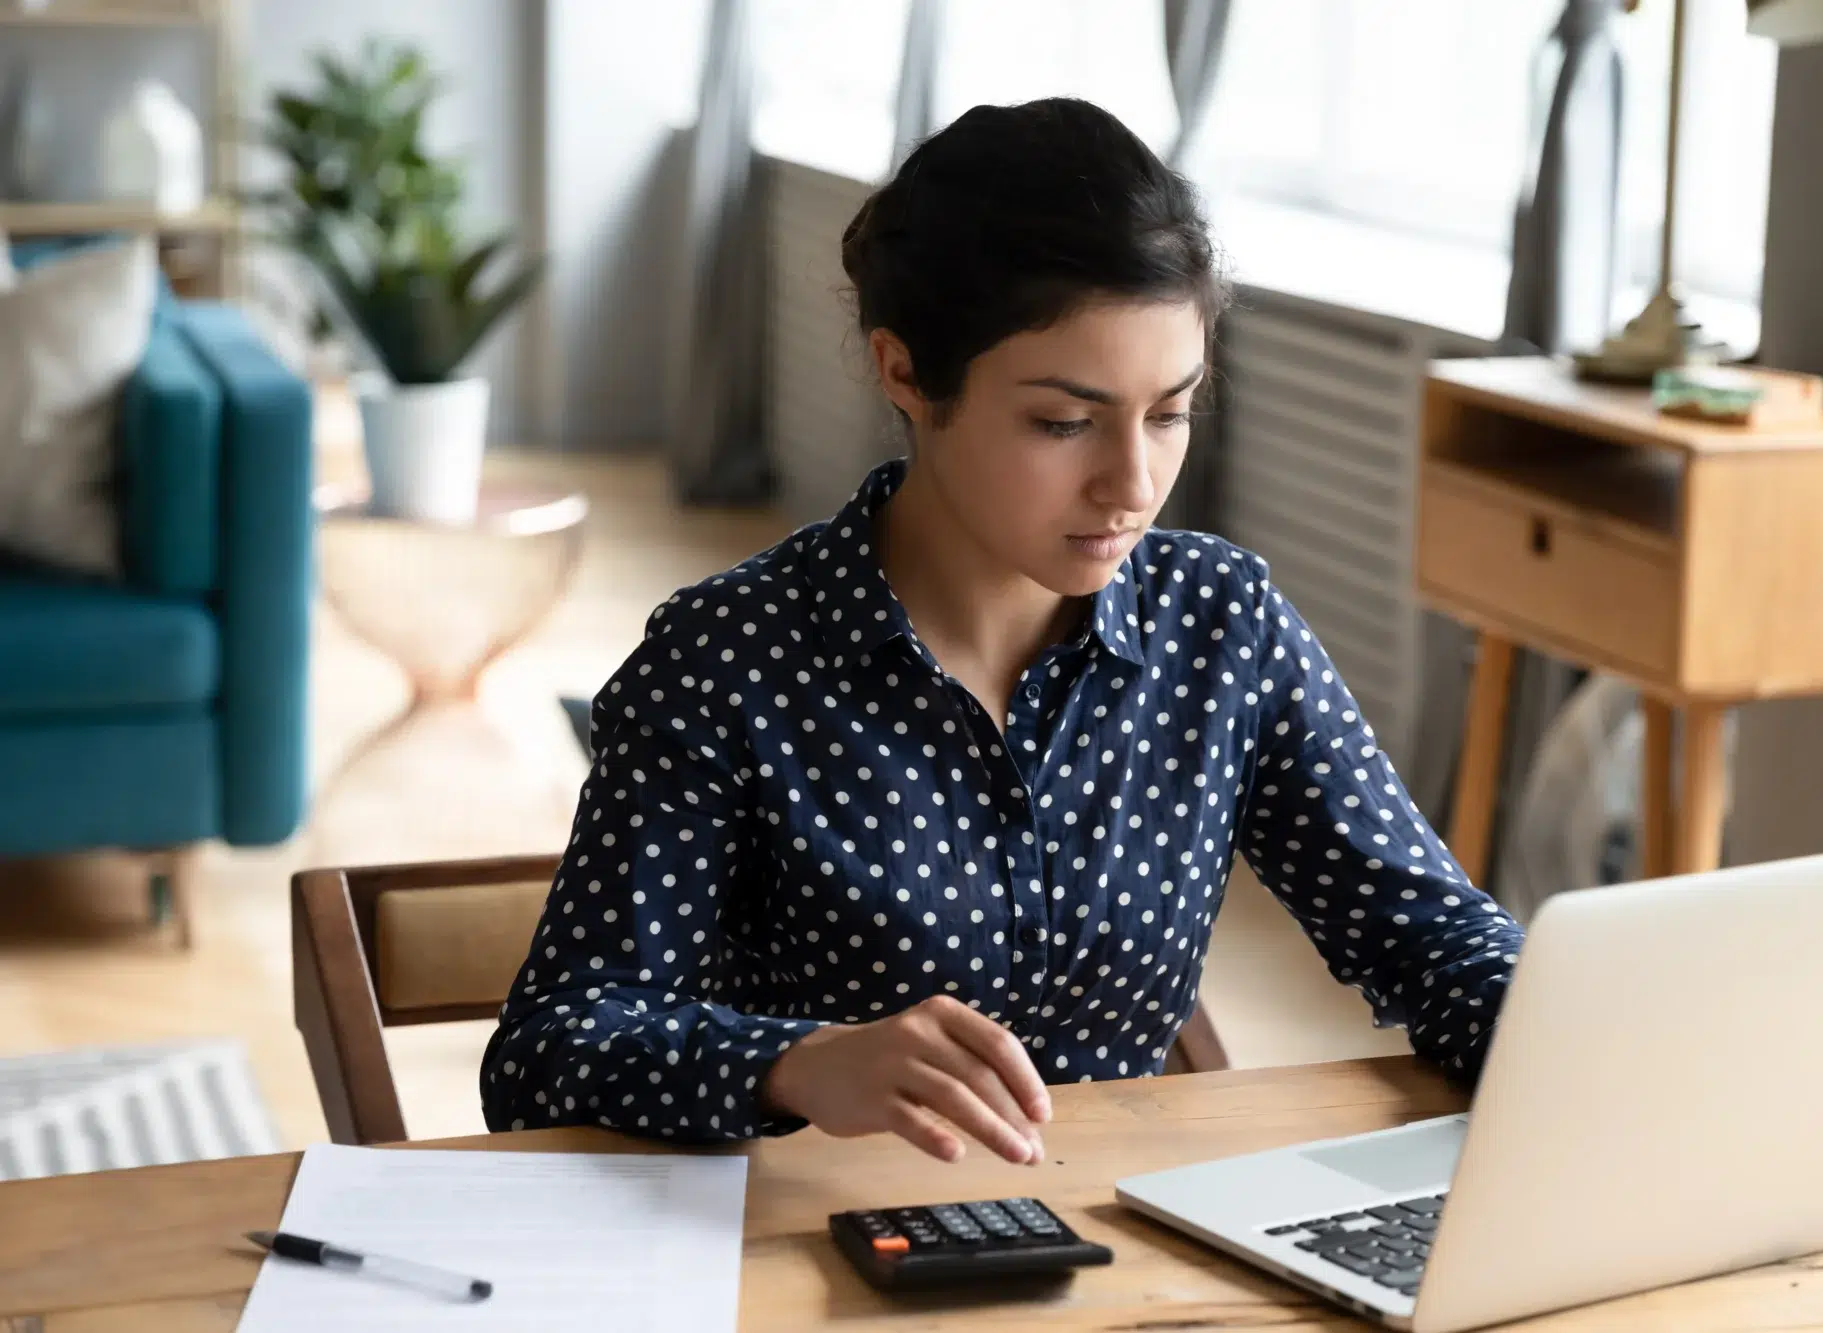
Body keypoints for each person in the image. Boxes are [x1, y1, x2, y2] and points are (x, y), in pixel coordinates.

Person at [481, 98, 1523, 1167]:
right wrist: (795, 1061)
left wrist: (1578, 1040)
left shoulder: (1219, 626)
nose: (1132, 484)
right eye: (1062, 422)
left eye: (1168, 413)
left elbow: (1432, 937)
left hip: (1131, 1261)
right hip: (812, 1254)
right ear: (903, 373)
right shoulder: (725, 661)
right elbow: (549, 1051)